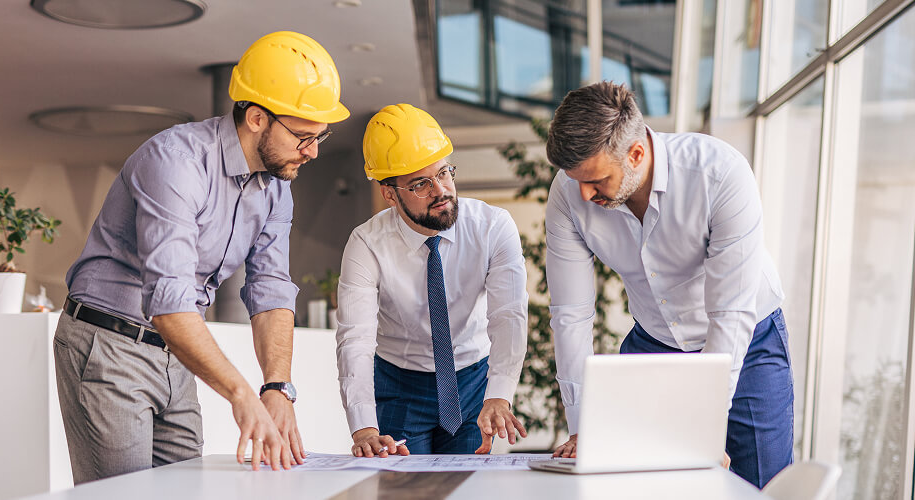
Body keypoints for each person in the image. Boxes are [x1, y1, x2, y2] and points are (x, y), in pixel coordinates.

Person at [53, 31, 350, 483]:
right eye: (303, 136)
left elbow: (270, 289)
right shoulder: (176, 161)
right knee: (123, 497)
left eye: (320, 138)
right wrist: (241, 394)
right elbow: (170, 301)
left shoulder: (276, 188)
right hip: (109, 343)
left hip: (175, 352)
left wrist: (276, 389)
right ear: (255, 118)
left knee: (186, 490)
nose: (311, 152)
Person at [544, 82, 793, 488]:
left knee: (763, 484)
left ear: (636, 154)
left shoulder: (719, 173)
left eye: (597, 181)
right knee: (643, 484)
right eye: (576, 181)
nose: (584, 195)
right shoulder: (569, 192)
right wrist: (580, 424)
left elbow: (730, 313)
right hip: (655, 342)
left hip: (748, 342)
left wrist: (706, 424)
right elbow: (571, 315)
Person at [336, 103, 529, 457]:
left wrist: (499, 394)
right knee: (404, 491)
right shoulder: (366, 244)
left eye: (444, 173)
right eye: (420, 184)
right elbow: (356, 339)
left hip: (474, 383)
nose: (440, 190)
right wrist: (364, 428)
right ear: (389, 193)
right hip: (400, 383)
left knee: (471, 489)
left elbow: (508, 315)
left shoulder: (492, 227)